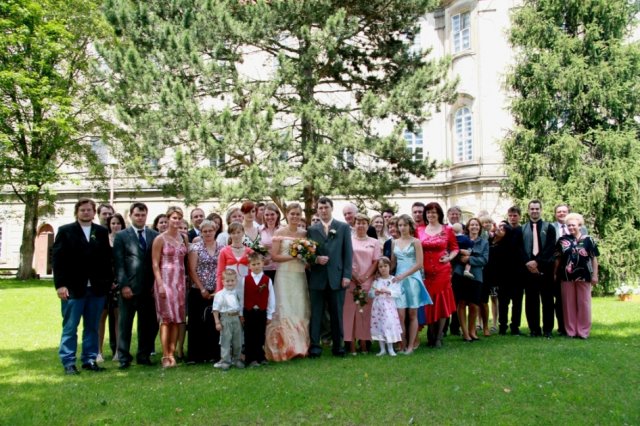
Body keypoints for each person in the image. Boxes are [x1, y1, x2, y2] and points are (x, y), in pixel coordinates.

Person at [52, 198, 113, 375]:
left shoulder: (101, 232)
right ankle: (69, 361)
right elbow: (58, 260)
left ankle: (89, 359)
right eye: (82, 210)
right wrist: (60, 285)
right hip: (73, 288)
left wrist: (107, 282)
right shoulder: (66, 231)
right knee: (70, 327)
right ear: (77, 212)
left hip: (96, 288)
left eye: (89, 210)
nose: (86, 213)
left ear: (94, 213)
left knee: (92, 326)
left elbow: (106, 259)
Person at [112, 202, 159, 369]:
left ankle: (143, 355)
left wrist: (156, 284)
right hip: (129, 288)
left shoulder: (154, 235)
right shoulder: (122, 236)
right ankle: (124, 357)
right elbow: (119, 263)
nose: (140, 218)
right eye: (137, 215)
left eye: (143, 215)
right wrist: (124, 285)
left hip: (148, 288)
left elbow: (156, 262)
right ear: (130, 216)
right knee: (125, 325)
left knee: (147, 325)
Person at [307, 196, 353, 358]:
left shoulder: (343, 227)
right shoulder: (312, 230)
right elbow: (307, 254)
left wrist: (346, 275)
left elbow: (348, 253)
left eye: (326, 207)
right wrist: (316, 259)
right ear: (317, 210)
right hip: (317, 278)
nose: (323, 210)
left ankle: (338, 347)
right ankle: (315, 347)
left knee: (336, 314)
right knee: (316, 314)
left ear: (331, 208)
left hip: (337, 277)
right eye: (320, 208)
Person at [264, 202, 311, 361]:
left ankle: (299, 347)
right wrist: (293, 256)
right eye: (292, 214)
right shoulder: (280, 232)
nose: (295, 217)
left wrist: (307, 257)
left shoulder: (304, 234)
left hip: (299, 275)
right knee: (285, 308)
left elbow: (307, 256)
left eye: (298, 214)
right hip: (284, 275)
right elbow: (274, 256)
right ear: (287, 215)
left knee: (299, 308)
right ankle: (284, 347)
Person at [152, 206, 189, 368]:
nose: (176, 221)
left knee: (177, 319)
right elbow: (155, 264)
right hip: (165, 281)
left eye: (179, 218)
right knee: (166, 319)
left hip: (179, 282)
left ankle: (172, 354)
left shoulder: (184, 238)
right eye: (174, 218)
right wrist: (160, 284)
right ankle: (165, 355)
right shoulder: (160, 239)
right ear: (167, 219)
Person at [418, 202, 459, 348]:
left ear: (439, 214)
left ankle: (439, 336)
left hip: (442, 271)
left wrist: (449, 258)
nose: (431, 215)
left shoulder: (447, 230)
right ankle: (431, 333)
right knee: (429, 303)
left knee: (442, 302)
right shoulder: (419, 230)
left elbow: (455, 248)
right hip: (425, 272)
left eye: (434, 212)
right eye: (428, 212)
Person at [554, 213, 599, 339]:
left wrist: (595, 275)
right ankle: (571, 331)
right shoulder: (562, 240)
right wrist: (554, 273)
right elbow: (557, 259)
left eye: (573, 225)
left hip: (584, 275)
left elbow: (594, 258)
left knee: (584, 304)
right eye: (568, 225)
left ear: (580, 225)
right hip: (566, 276)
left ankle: (583, 331)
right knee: (568, 304)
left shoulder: (589, 240)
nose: (571, 227)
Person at [391, 214, 431, 353]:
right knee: (400, 315)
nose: (402, 228)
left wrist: (404, 275)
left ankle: (410, 346)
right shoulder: (394, 242)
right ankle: (402, 344)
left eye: (405, 225)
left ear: (410, 226)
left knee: (412, 314)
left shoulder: (416, 242)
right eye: (400, 225)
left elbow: (419, 264)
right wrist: (382, 274)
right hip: (398, 281)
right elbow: (393, 263)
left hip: (413, 279)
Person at [343, 213, 380, 355]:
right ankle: (351, 344)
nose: (361, 225)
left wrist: (366, 276)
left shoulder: (374, 242)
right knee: (350, 313)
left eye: (364, 223)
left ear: (368, 225)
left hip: (367, 280)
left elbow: (376, 261)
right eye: (358, 223)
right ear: (354, 225)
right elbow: (345, 259)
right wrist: (354, 275)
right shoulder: (349, 240)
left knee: (364, 312)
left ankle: (364, 344)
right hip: (351, 280)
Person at [187, 219, 221, 364]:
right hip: (198, 290)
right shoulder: (195, 248)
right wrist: (201, 288)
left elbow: (222, 268)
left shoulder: (221, 247)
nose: (208, 233)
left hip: (216, 290)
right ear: (201, 233)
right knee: (197, 323)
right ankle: (196, 356)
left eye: (210, 230)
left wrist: (218, 289)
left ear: (215, 231)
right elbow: (191, 270)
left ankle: (213, 353)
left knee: (213, 322)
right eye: (205, 231)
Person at [522, 200, 557, 338]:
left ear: (541, 210)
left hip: (545, 268)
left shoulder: (550, 228)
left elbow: (550, 248)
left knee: (547, 300)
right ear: (528, 210)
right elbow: (520, 249)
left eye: (537, 208)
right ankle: (534, 329)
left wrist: (537, 262)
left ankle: (548, 329)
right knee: (531, 301)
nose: (534, 211)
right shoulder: (522, 229)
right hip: (528, 270)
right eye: (532, 209)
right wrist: (529, 263)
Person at [452, 218, 489, 342]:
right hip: (460, 274)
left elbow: (484, 259)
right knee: (461, 303)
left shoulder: (484, 242)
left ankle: (472, 330)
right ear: (467, 227)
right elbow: (454, 254)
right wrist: (461, 257)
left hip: (476, 275)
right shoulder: (461, 239)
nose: (474, 227)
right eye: (472, 225)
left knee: (474, 304)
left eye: (476, 225)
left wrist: (469, 259)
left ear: (480, 227)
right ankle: (465, 332)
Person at [98, 213, 126, 363]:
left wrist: (120, 281)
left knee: (118, 318)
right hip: (103, 284)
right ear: (109, 225)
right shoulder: (103, 240)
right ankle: (98, 352)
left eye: (118, 223)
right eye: (113, 223)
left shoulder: (125, 240)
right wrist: (106, 280)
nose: (116, 226)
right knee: (100, 318)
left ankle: (118, 352)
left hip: (119, 283)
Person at [241, 252, 275, 367]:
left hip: (261, 311)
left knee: (260, 334)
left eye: (258, 264)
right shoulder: (245, 280)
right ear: (249, 266)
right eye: (253, 264)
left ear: (263, 264)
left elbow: (271, 298)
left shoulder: (267, 280)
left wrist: (269, 314)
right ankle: (250, 358)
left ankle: (260, 356)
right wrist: (241, 313)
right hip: (248, 311)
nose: (256, 266)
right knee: (249, 335)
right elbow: (241, 297)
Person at [369, 257, 403, 357]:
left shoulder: (393, 280)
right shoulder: (376, 281)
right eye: (380, 267)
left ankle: (390, 348)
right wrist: (375, 292)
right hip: (378, 308)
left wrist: (388, 291)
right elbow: (370, 293)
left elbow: (398, 293)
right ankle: (382, 349)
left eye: (385, 266)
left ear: (389, 266)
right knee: (379, 326)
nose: (383, 268)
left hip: (389, 308)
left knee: (389, 325)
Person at [212, 270, 244, 371]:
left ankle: (237, 359)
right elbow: (215, 309)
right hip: (226, 318)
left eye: (232, 281)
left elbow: (240, 307)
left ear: (236, 281)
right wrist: (217, 322)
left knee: (237, 340)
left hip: (236, 318)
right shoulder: (220, 294)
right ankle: (225, 360)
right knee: (225, 340)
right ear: (223, 282)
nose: (230, 283)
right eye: (227, 281)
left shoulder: (237, 293)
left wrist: (241, 317)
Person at [216, 222, 253, 292]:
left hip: (246, 287)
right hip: (229, 288)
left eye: (238, 232)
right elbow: (220, 273)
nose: (236, 235)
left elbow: (253, 271)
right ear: (229, 234)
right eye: (233, 233)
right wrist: (219, 291)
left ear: (243, 233)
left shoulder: (250, 252)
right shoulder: (224, 251)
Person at [260, 203, 281, 281]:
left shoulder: (283, 230)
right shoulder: (259, 230)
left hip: (280, 269)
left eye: (272, 214)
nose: (269, 217)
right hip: (265, 269)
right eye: (267, 215)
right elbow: (255, 250)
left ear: (277, 215)